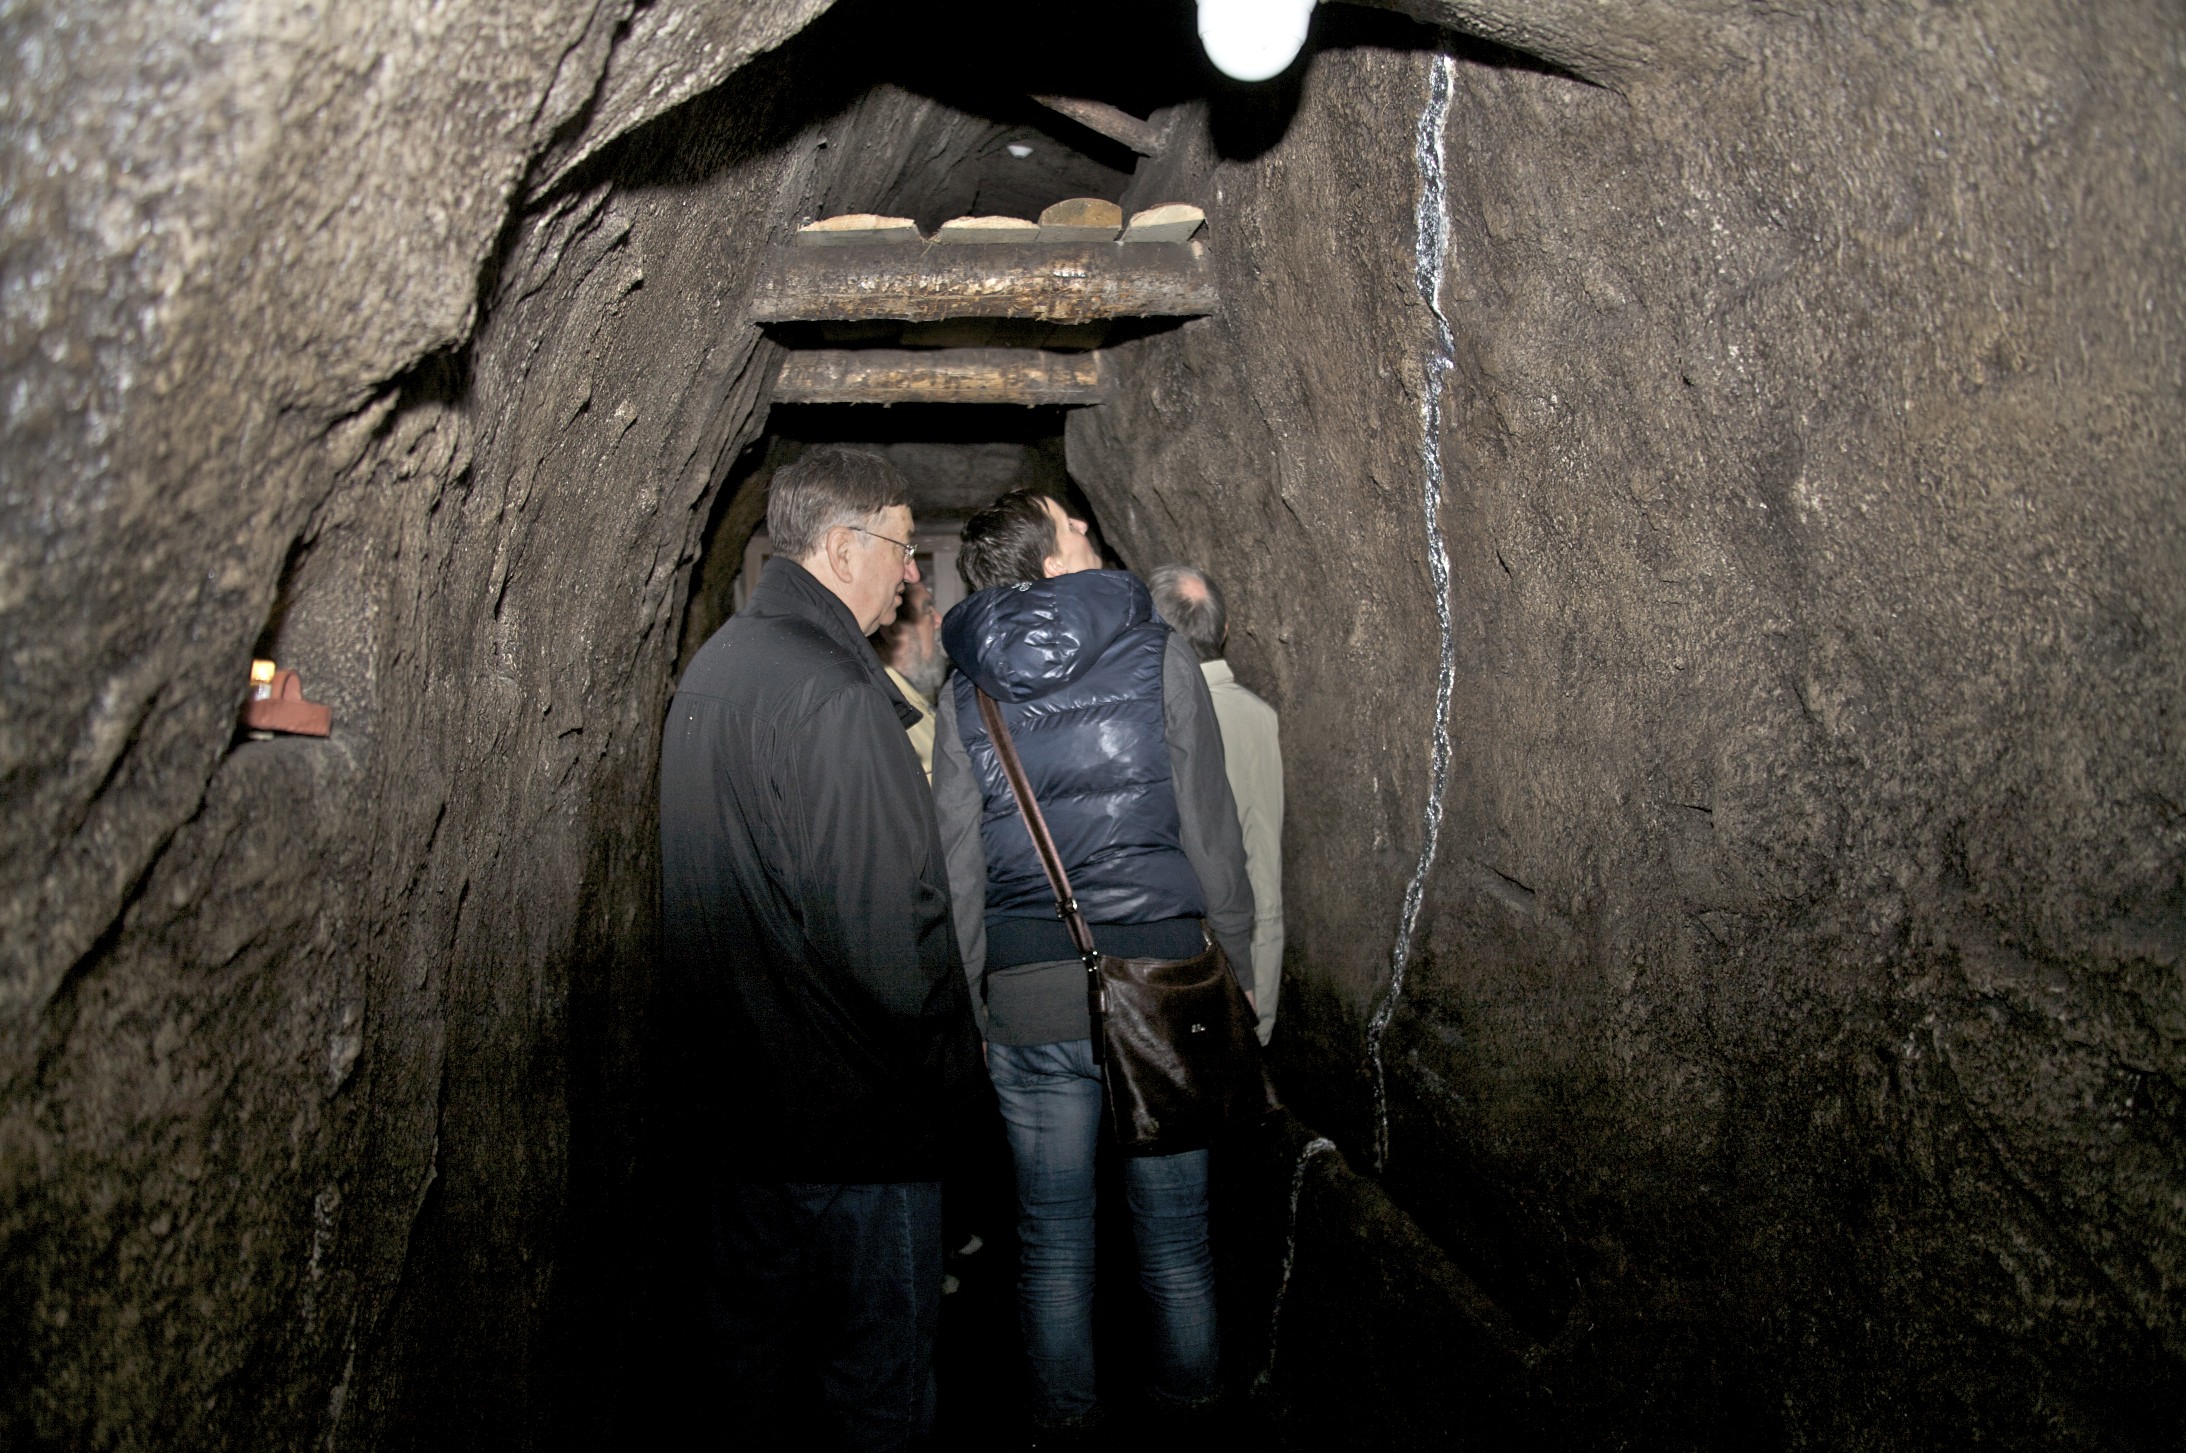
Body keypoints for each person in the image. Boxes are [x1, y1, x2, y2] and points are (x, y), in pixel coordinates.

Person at [659, 445, 983, 1451]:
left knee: (751, 1386)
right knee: (877, 1396)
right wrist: (951, 1087)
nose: (911, 573)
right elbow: (891, 942)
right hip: (856, 1131)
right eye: (900, 547)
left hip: (741, 1118)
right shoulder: (837, 694)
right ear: (842, 549)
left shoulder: (714, 670)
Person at [930, 489, 1255, 1435]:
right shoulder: (1159, 653)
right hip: (1160, 987)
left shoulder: (965, 690)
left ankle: (1063, 1424)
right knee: (1177, 1242)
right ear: (1052, 561)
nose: (1090, 528)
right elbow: (1210, 832)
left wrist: (975, 1008)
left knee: (1052, 1242)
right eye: (1073, 524)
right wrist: (1234, 965)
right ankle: (1191, 1414)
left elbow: (958, 873)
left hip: (1027, 998)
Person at [1147, 565, 1285, 1045]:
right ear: (1224, 630)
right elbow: (1261, 857)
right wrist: (1260, 989)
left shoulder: (1138, 712)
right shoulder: (1255, 718)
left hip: (1156, 961)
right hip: (1232, 954)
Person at [870, 578, 946, 783]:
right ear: (893, 631)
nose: (939, 620)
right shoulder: (883, 709)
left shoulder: (908, 696)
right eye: (928, 610)